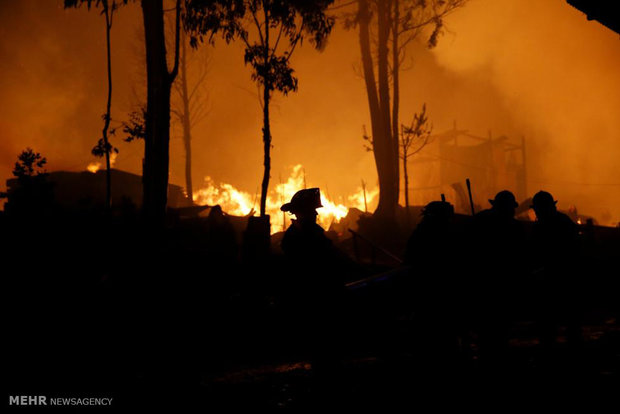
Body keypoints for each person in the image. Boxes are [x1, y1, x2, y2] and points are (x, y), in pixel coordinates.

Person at [280, 188, 346, 382]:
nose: (316, 214)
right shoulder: (299, 238)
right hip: (315, 298)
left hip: (323, 295)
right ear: (301, 213)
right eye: (312, 210)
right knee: (323, 345)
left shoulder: (309, 234)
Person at [469, 190, 527, 371]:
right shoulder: (511, 227)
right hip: (495, 282)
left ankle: (491, 358)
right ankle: (494, 359)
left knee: (491, 326)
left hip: (490, 282)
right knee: (496, 325)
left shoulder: (481, 221)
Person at [529, 190, 582, 362]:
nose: (536, 212)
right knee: (566, 324)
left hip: (557, 279)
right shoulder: (564, 222)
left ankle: (555, 358)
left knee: (551, 324)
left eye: (537, 209)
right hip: (563, 279)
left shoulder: (543, 226)